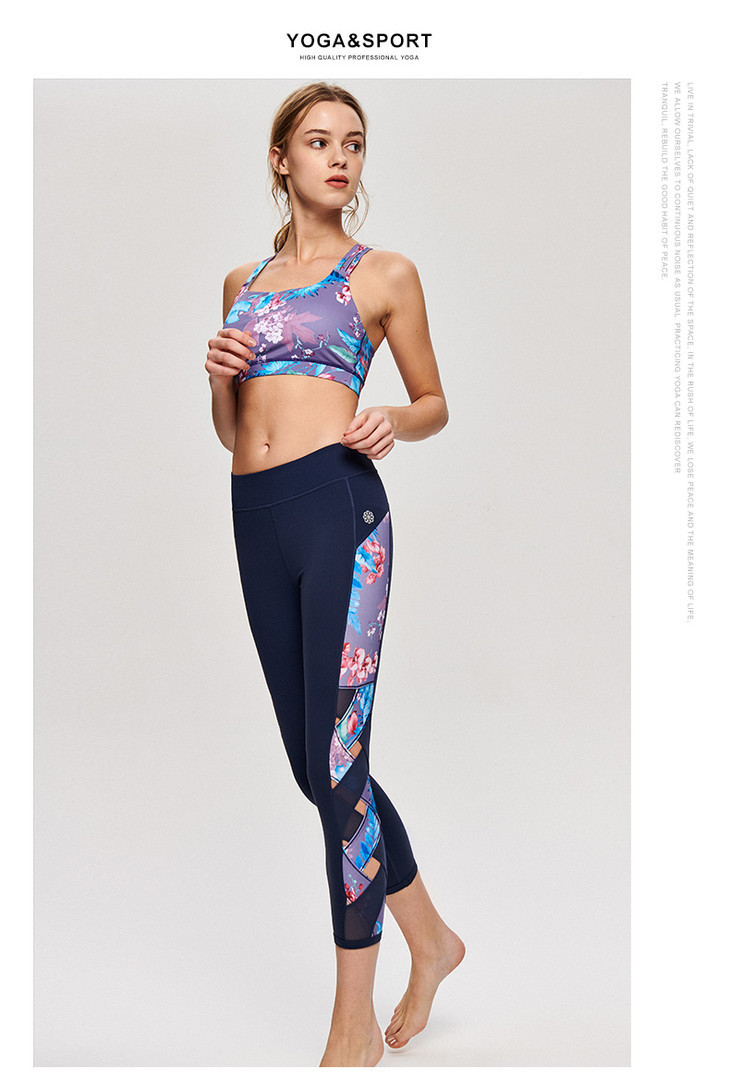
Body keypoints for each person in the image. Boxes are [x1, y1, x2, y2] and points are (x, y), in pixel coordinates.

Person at [205, 81, 465, 1068]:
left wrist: (389, 418)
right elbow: (231, 431)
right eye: (318, 142)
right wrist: (219, 377)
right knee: (314, 766)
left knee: (337, 762)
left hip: (340, 515)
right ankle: (433, 938)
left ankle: (352, 1009)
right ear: (282, 159)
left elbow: (433, 400)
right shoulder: (241, 281)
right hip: (255, 517)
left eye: (352, 142)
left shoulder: (383, 273)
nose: (339, 157)